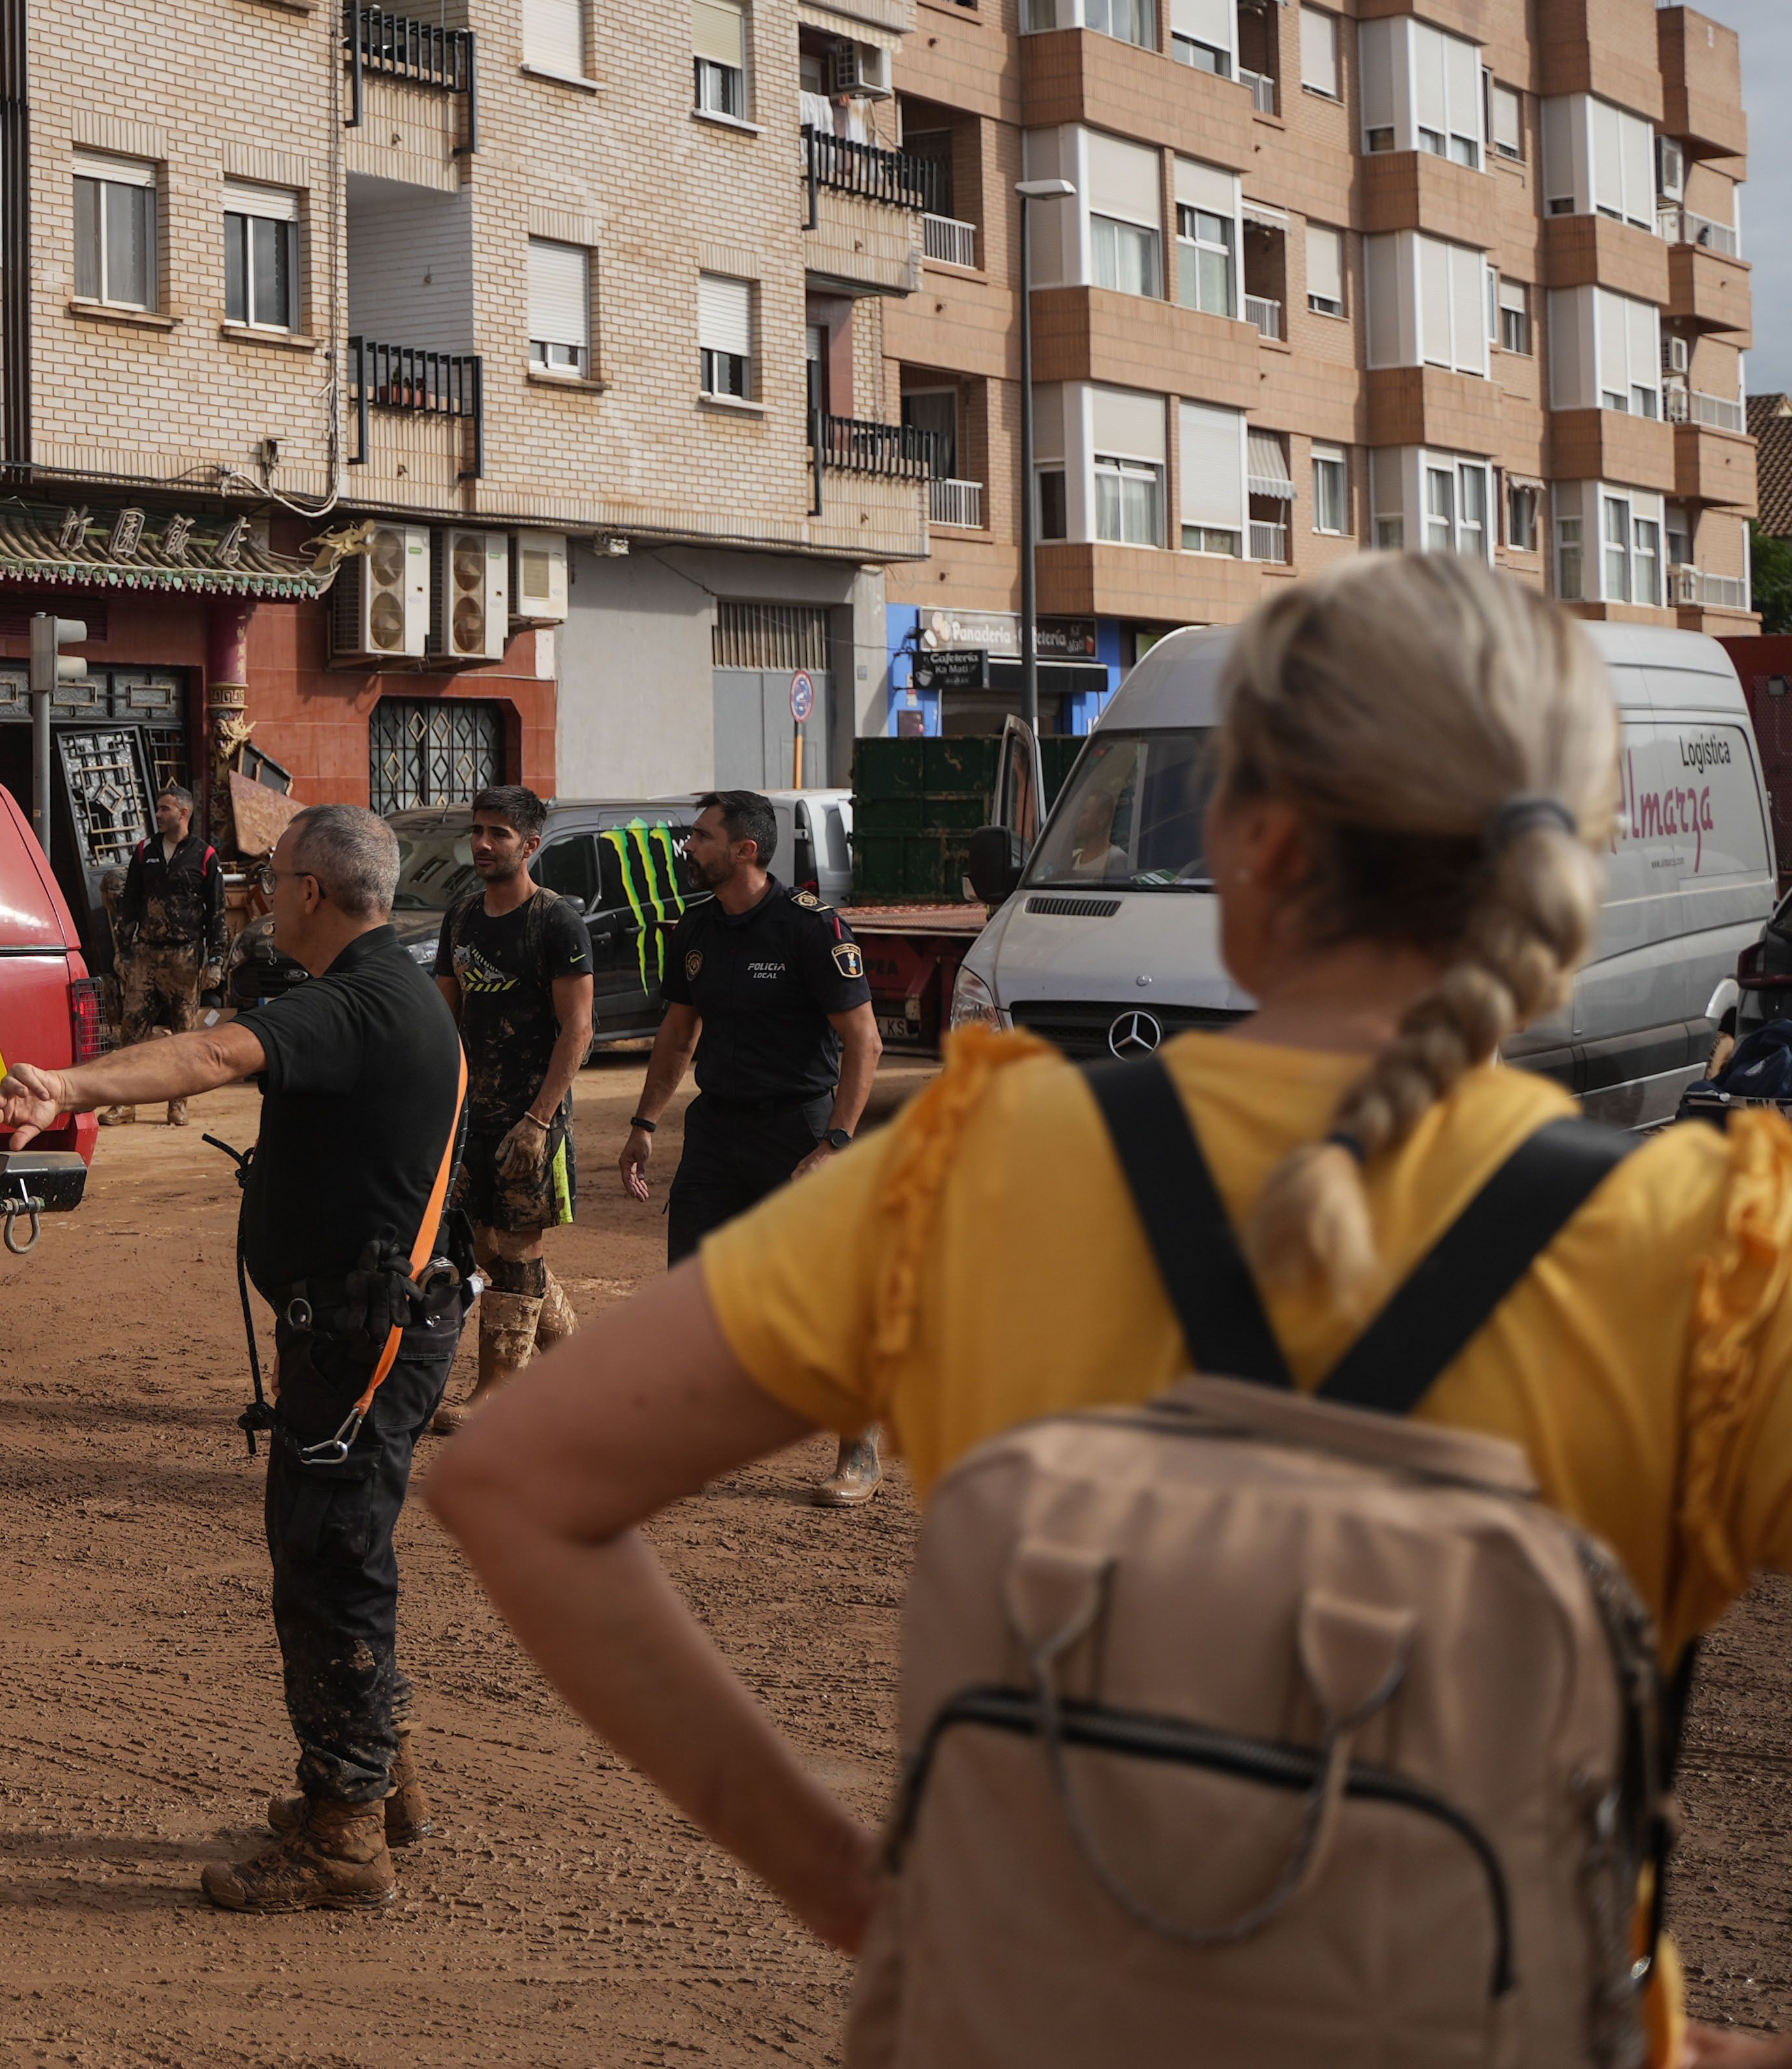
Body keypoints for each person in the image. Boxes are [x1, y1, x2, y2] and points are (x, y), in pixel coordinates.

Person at [426, 554, 1792, 2066]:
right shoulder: (1706, 1252)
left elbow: (513, 1478)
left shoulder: (975, 1173)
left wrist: (855, 1889)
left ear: (1253, 837)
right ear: (1572, 855)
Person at [0, 804, 463, 1913]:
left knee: (330, 1566)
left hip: (363, 1343)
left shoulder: (349, 1004)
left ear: (311, 892)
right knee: (341, 1553)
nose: (259, 892)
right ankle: (377, 1785)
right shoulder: (398, 992)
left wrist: (66, 1086)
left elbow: (208, 1052)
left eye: (275, 874)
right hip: (372, 1329)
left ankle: (347, 1838)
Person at [621, 787, 885, 1507]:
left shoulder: (811, 927)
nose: (689, 847)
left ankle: (857, 1443)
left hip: (797, 1130)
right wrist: (644, 1123)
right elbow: (678, 1036)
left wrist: (835, 1139)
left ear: (745, 849)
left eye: (702, 836)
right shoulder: (697, 928)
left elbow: (864, 1041)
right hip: (717, 1129)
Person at [432, 783, 593, 1434]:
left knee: (519, 1245)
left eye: (498, 833)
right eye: (477, 830)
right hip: (472, 1113)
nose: (482, 844)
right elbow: (447, 1015)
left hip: (532, 1114)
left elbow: (577, 1026)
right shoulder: (462, 916)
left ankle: (497, 1389)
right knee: (486, 1247)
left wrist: (539, 1118)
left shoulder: (556, 920)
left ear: (530, 844)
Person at [109, 785, 232, 1124]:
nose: (159, 815)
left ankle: (178, 1104)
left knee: (184, 1035)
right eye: (159, 809)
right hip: (145, 956)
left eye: (165, 809)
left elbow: (217, 914)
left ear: (183, 813)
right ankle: (124, 1103)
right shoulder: (144, 850)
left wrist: (215, 960)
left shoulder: (204, 856)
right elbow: (129, 905)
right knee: (131, 1030)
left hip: (185, 957)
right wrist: (123, 952)